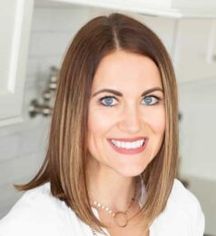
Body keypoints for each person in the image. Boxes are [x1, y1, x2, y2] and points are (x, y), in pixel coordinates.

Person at [0, 13, 205, 236]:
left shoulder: (181, 207)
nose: (133, 124)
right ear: (75, 110)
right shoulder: (32, 226)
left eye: (149, 99)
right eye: (108, 100)